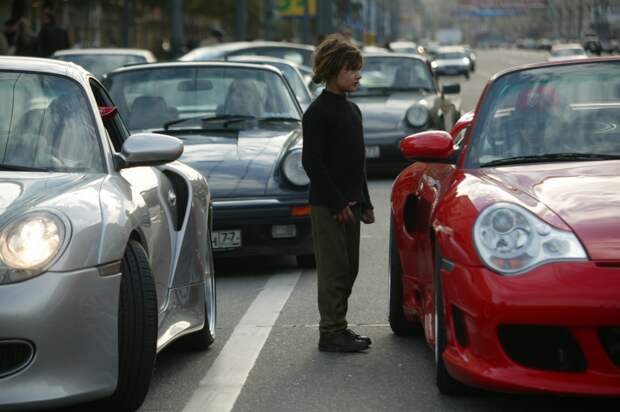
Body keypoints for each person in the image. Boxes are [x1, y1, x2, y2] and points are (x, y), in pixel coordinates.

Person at [302, 33, 374, 353]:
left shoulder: (353, 111)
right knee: (333, 270)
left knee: (350, 268)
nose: (357, 75)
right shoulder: (317, 113)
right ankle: (331, 331)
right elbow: (312, 163)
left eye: (358, 69)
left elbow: (357, 164)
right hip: (329, 206)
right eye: (351, 69)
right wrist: (336, 202)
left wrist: (365, 201)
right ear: (332, 71)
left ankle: (339, 326)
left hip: (352, 204)